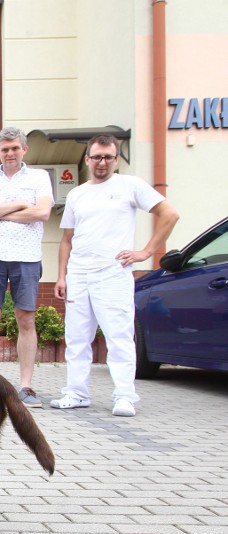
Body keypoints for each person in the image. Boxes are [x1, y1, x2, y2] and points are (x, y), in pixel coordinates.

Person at [52, 134, 179, 417]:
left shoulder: (130, 186)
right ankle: (76, 393)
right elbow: (66, 240)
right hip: (79, 275)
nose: (102, 162)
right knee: (76, 338)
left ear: (116, 159)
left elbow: (169, 214)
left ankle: (124, 396)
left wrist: (146, 251)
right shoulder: (77, 194)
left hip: (112, 274)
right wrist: (61, 276)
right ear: (87, 159)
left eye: (108, 156)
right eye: (96, 156)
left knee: (119, 336)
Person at [0, 126, 54, 408]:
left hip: (27, 257)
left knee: (26, 320)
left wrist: (0, 209)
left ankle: (27, 387)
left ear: (24, 150)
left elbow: (42, 212)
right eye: (5, 149)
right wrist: (20, 204)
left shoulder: (40, 177)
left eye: (15, 148)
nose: (10, 153)